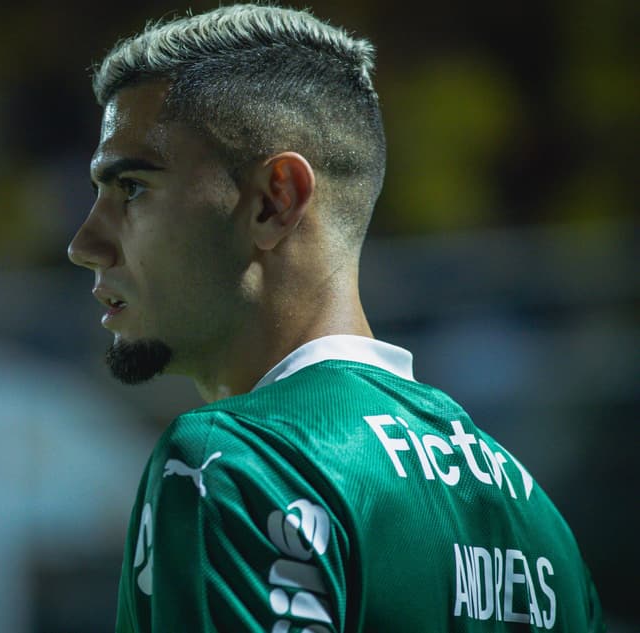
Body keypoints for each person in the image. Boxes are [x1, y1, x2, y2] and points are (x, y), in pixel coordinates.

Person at [67, 4, 605, 632]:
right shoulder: (538, 518)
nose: (84, 243)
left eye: (131, 187)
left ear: (275, 202)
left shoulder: (230, 466)